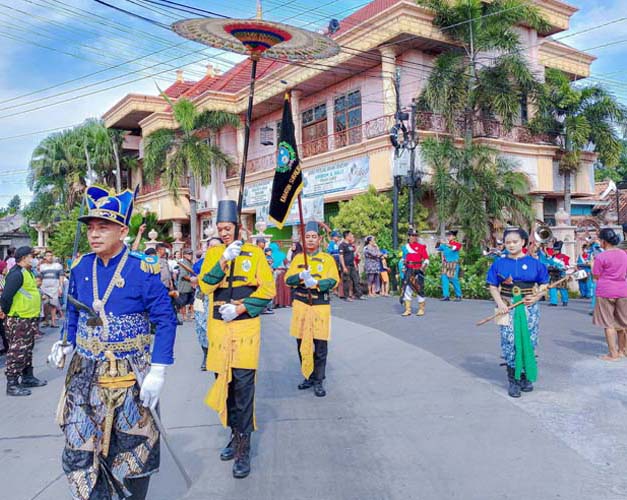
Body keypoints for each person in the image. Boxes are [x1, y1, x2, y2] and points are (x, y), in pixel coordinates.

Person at [48, 185, 177, 499]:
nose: (94, 234)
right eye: (91, 228)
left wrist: (158, 370)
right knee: (80, 446)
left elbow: (165, 319)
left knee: (131, 449)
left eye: (103, 227)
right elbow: (73, 311)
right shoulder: (80, 267)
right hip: (84, 372)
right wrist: (66, 341)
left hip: (129, 372)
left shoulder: (142, 270)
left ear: (122, 230)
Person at [198, 199, 276, 479]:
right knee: (225, 389)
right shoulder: (214, 254)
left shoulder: (254, 254)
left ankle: (244, 447)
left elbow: (268, 291)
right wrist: (223, 260)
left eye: (228, 227)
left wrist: (241, 308)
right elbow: (205, 285)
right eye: (220, 229)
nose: (224, 232)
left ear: (238, 228)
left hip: (244, 332)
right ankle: (233, 434)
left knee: (243, 392)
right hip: (219, 333)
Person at [486, 228, 549, 398]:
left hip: (529, 308)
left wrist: (536, 297)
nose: (511, 245)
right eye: (508, 242)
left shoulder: (535, 263)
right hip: (506, 306)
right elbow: (492, 286)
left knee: (528, 339)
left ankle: (525, 376)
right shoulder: (499, 263)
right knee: (509, 341)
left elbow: (544, 284)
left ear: (523, 242)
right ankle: (513, 379)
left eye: (515, 242)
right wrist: (500, 304)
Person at [285, 221, 339, 397]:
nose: (310, 240)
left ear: (319, 239)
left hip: (319, 305)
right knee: (302, 344)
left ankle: (318, 380)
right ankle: (308, 375)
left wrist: (317, 283)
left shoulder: (327, 259)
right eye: (307, 237)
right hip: (301, 305)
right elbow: (288, 279)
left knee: (320, 345)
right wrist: (300, 276)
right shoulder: (298, 259)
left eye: (313, 237)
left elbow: (333, 280)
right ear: (303, 239)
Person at [0, 246, 46, 396]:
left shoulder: (27, 272)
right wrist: (7, 313)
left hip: (29, 318)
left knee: (27, 349)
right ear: (25, 257)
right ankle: (12, 383)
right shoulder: (16, 274)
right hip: (19, 319)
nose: (34, 259)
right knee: (17, 350)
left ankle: (27, 377)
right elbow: (6, 297)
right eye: (32, 256)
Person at [591, 228, 627, 361]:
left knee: (608, 323)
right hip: (623, 290)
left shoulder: (601, 256)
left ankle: (613, 354)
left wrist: (591, 265)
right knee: (624, 322)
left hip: (606, 290)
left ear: (604, 242)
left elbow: (596, 275)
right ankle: (623, 350)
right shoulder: (624, 254)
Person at [194, 239, 221, 371]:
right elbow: (194, 278)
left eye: (215, 246)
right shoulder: (200, 263)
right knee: (200, 327)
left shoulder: (226, 261)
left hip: (218, 298)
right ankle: (206, 355)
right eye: (210, 246)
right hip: (201, 296)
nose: (212, 248)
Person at [400, 228, 429, 317]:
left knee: (419, 289)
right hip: (409, 270)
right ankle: (408, 309)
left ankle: (421, 309)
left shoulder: (421, 247)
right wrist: (403, 267)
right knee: (407, 289)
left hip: (418, 269)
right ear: (409, 236)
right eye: (412, 235)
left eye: (416, 235)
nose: (414, 237)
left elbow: (426, 259)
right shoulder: (405, 247)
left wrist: (422, 268)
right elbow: (403, 259)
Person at [39, 250, 64, 328]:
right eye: (48, 255)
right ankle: (46, 320)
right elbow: (40, 278)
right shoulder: (42, 267)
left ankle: (53, 322)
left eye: (51, 255)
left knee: (53, 305)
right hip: (44, 288)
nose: (50, 257)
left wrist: (60, 287)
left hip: (54, 288)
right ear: (45, 257)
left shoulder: (58, 266)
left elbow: (61, 276)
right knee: (45, 304)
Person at [437, 230, 462, 301]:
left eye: (450, 235)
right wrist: (438, 242)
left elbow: (454, 248)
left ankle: (458, 295)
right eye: (448, 235)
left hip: (453, 263)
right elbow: (437, 248)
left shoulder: (457, 244)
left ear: (454, 237)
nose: (448, 237)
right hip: (446, 263)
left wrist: (445, 243)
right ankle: (446, 295)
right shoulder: (444, 245)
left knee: (454, 279)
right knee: (444, 278)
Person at [339, 230, 364, 301]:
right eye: (350, 235)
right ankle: (347, 296)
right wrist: (343, 267)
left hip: (352, 265)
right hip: (346, 265)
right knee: (346, 281)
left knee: (356, 280)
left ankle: (359, 294)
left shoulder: (350, 245)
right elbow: (341, 256)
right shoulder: (342, 245)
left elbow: (352, 255)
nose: (352, 236)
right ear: (347, 236)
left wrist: (355, 264)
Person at [548, 241, 570, 307]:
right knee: (552, 288)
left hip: (561, 274)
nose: (554, 251)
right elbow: (549, 264)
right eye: (554, 249)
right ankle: (553, 302)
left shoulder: (564, 257)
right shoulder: (551, 258)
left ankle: (565, 301)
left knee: (563, 288)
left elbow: (567, 266)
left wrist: (562, 267)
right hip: (553, 274)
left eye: (555, 250)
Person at [177, 248, 195, 321]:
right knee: (183, 302)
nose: (190, 255)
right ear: (184, 255)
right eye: (188, 254)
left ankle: (192, 314)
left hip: (191, 286)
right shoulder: (183, 263)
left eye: (191, 254)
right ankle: (184, 316)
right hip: (184, 286)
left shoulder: (190, 263)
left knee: (192, 301)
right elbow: (184, 275)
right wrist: (193, 279)